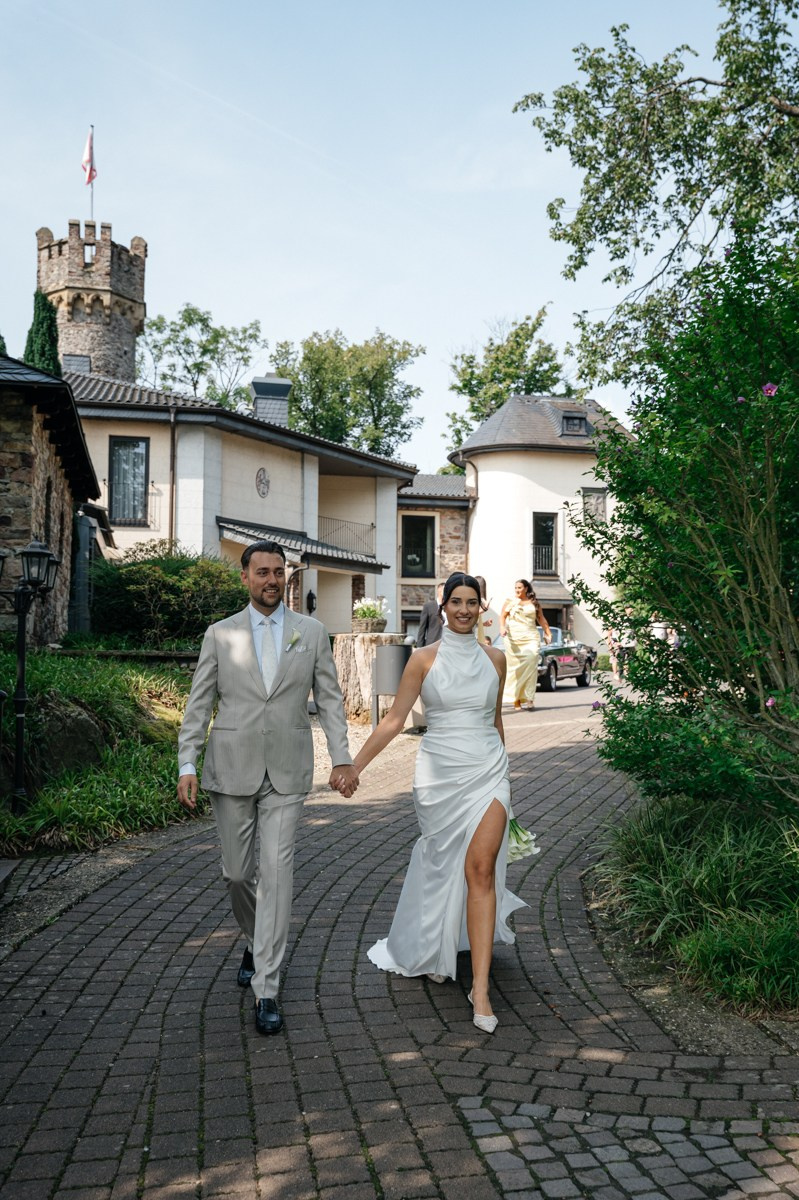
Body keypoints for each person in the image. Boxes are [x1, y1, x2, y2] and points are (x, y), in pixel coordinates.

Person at [177, 540, 358, 1037]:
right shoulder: (220, 634)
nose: (272, 580)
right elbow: (199, 705)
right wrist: (185, 763)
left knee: (277, 874)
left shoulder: (312, 633)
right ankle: (255, 939)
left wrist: (342, 757)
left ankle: (267, 988)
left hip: (286, 770)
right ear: (245, 578)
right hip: (230, 767)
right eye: (262, 572)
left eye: (279, 572)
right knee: (237, 875)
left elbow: (331, 699)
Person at [344, 572, 526, 1034]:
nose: (464, 609)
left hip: (488, 771)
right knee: (444, 864)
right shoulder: (422, 660)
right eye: (456, 601)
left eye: (472, 602)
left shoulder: (497, 659)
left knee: (481, 870)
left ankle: (480, 987)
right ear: (443, 606)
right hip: (439, 775)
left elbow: (495, 720)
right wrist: (354, 766)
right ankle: (433, 944)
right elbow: (393, 721)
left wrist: (505, 777)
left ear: (482, 607)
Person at [500, 580, 552, 710]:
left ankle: (529, 698)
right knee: (516, 668)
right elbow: (502, 616)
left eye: (519, 587)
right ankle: (516, 699)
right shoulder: (510, 601)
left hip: (530, 636)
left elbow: (541, 619)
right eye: (515, 587)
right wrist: (501, 627)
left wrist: (548, 633)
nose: (517, 590)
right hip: (513, 638)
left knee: (531, 660)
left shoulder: (534, 602)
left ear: (526, 588)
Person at [416, 582, 445, 646]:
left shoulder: (450, 607)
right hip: (432, 644)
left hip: (447, 645)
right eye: (444, 590)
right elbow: (422, 629)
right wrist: (419, 647)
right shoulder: (429, 606)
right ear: (439, 591)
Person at [474, 575, 497, 645]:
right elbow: (469, 616)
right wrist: (482, 610)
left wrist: (483, 624)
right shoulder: (473, 599)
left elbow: (471, 622)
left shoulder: (479, 600)